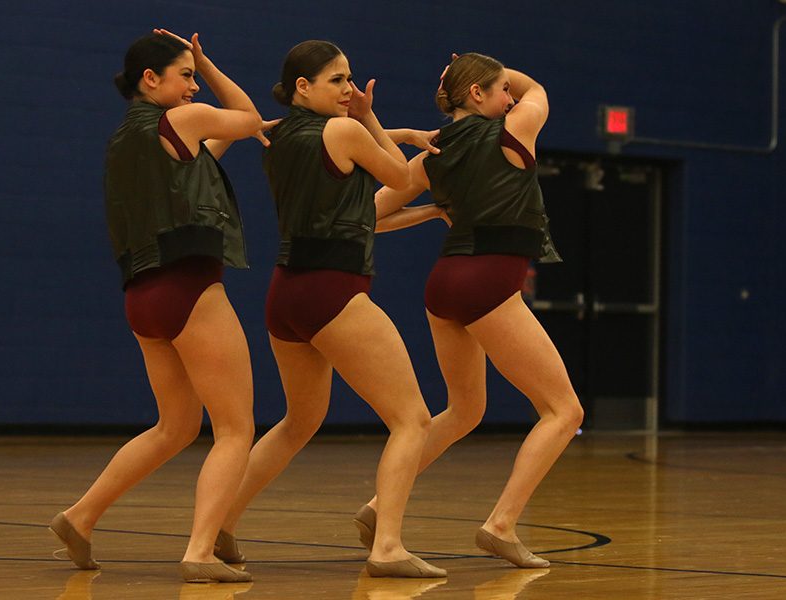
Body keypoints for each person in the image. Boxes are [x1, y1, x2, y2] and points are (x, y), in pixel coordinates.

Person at [214, 40, 446, 579]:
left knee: (300, 420)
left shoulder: (276, 137)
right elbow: (401, 177)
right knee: (411, 418)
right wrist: (372, 118)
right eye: (339, 80)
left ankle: (221, 521)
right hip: (333, 291)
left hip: (286, 293)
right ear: (304, 86)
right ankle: (387, 546)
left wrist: (393, 134)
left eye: (350, 80)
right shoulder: (342, 129)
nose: (349, 89)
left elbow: (362, 187)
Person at [49, 29, 271, 583]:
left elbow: (205, 153)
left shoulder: (127, 138)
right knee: (236, 428)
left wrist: (199, 80)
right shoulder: (181, 121)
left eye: (195, 75)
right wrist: (212, 62)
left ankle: (81, 516)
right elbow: (247, 117)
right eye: (186, 75)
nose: (195, 86)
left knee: (175, 426)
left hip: (142, 299)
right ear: (151, 79)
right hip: (189, 287)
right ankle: (198, 551)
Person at [358, 52, 584, 569]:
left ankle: (379, 505)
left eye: (508, 90)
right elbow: (538, 88)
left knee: (464, 411)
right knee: (564, 410)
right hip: (487, 282)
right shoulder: (515, 129)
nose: (511, 98)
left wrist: (430, 211)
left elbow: (362, 219)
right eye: (500, 89)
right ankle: (501, 524)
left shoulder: (430, 156)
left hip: (444, 285)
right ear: (477, 95)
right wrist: (499, 69)